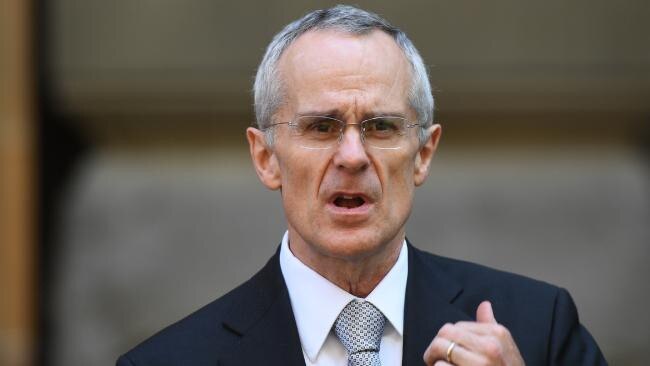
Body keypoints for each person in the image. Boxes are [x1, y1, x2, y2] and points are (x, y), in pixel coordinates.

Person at [116, 5, 606, 366]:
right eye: (321, 127)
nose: (352, 157)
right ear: (266, 158)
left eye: (381, 127)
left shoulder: (539, 330)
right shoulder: (171, 361)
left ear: (424, 154)